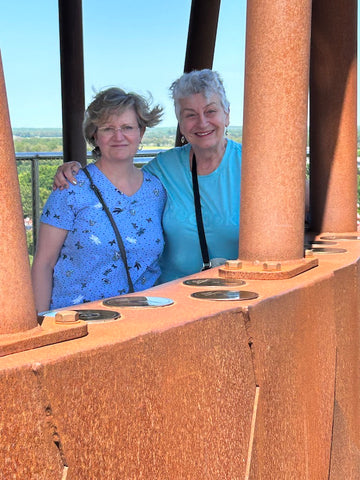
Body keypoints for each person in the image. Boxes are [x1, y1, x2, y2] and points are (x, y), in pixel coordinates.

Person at [53, 70, 242, 284]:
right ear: (180, 123)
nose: (202, 122)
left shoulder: (251, 168)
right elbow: (119, 181)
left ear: (226, 114)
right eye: (190, 114)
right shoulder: (164, 168)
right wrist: (76, 171)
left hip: (234, 297)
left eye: (210, 111)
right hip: (171, 298)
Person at [32, 87, 166, 312]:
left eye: (127, 127)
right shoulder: (70, 188)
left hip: (141, 324)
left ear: (141, 133)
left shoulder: (156, 191)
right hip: (78, 325)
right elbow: (43, 264)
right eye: (108, 128)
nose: (119, 136)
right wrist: (39, 326)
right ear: (95, 135)